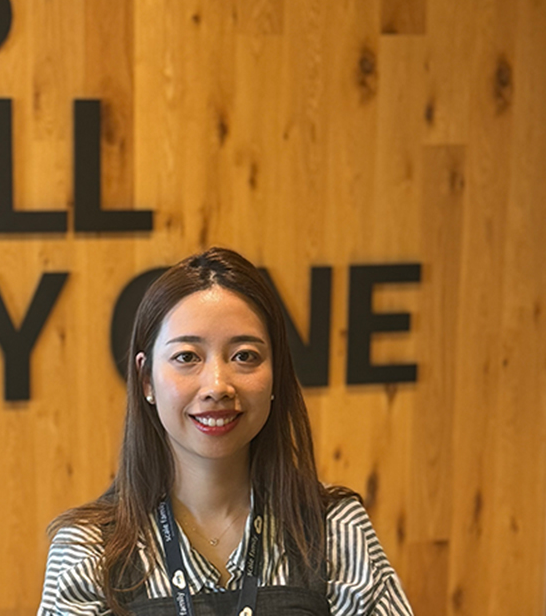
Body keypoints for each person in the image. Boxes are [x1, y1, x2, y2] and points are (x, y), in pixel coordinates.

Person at [37, 248, 413, 616]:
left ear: (275, 374)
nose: (217, 385)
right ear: (145, 379)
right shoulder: (89, 549)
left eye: (244, 356)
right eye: (187, 357)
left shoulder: (334, 529)